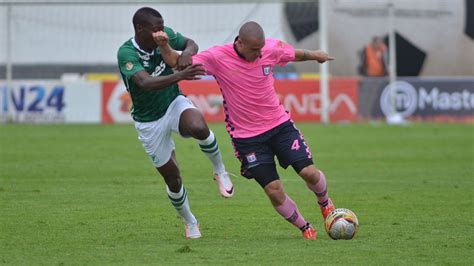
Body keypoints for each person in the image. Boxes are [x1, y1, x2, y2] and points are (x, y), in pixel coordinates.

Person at [159, 21, 336, 240]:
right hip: (247, 138)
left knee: (309, 172)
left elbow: (293, 53)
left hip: (280, 126)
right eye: (254, 50)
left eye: (260, 49)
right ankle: (305, 227)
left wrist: (315, 54)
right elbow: (177, 63)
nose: (259, 54)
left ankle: (325, 202)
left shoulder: (268, 49)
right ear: (240, 43)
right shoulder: (217, 57)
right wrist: (164, 46)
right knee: (273, 190)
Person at [116, 7, 234, 239]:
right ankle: (190, 221)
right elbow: (145, 82)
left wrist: (188, 53)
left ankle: (220, 171)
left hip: (173, 102)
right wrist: (180, 75)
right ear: (140, 29)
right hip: (148, 121)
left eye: (162, 26)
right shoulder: (127, 53)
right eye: (155, 29)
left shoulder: (164, 35)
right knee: (173, 178)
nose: (161, 32)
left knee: (199, 127)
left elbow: (191, 43)